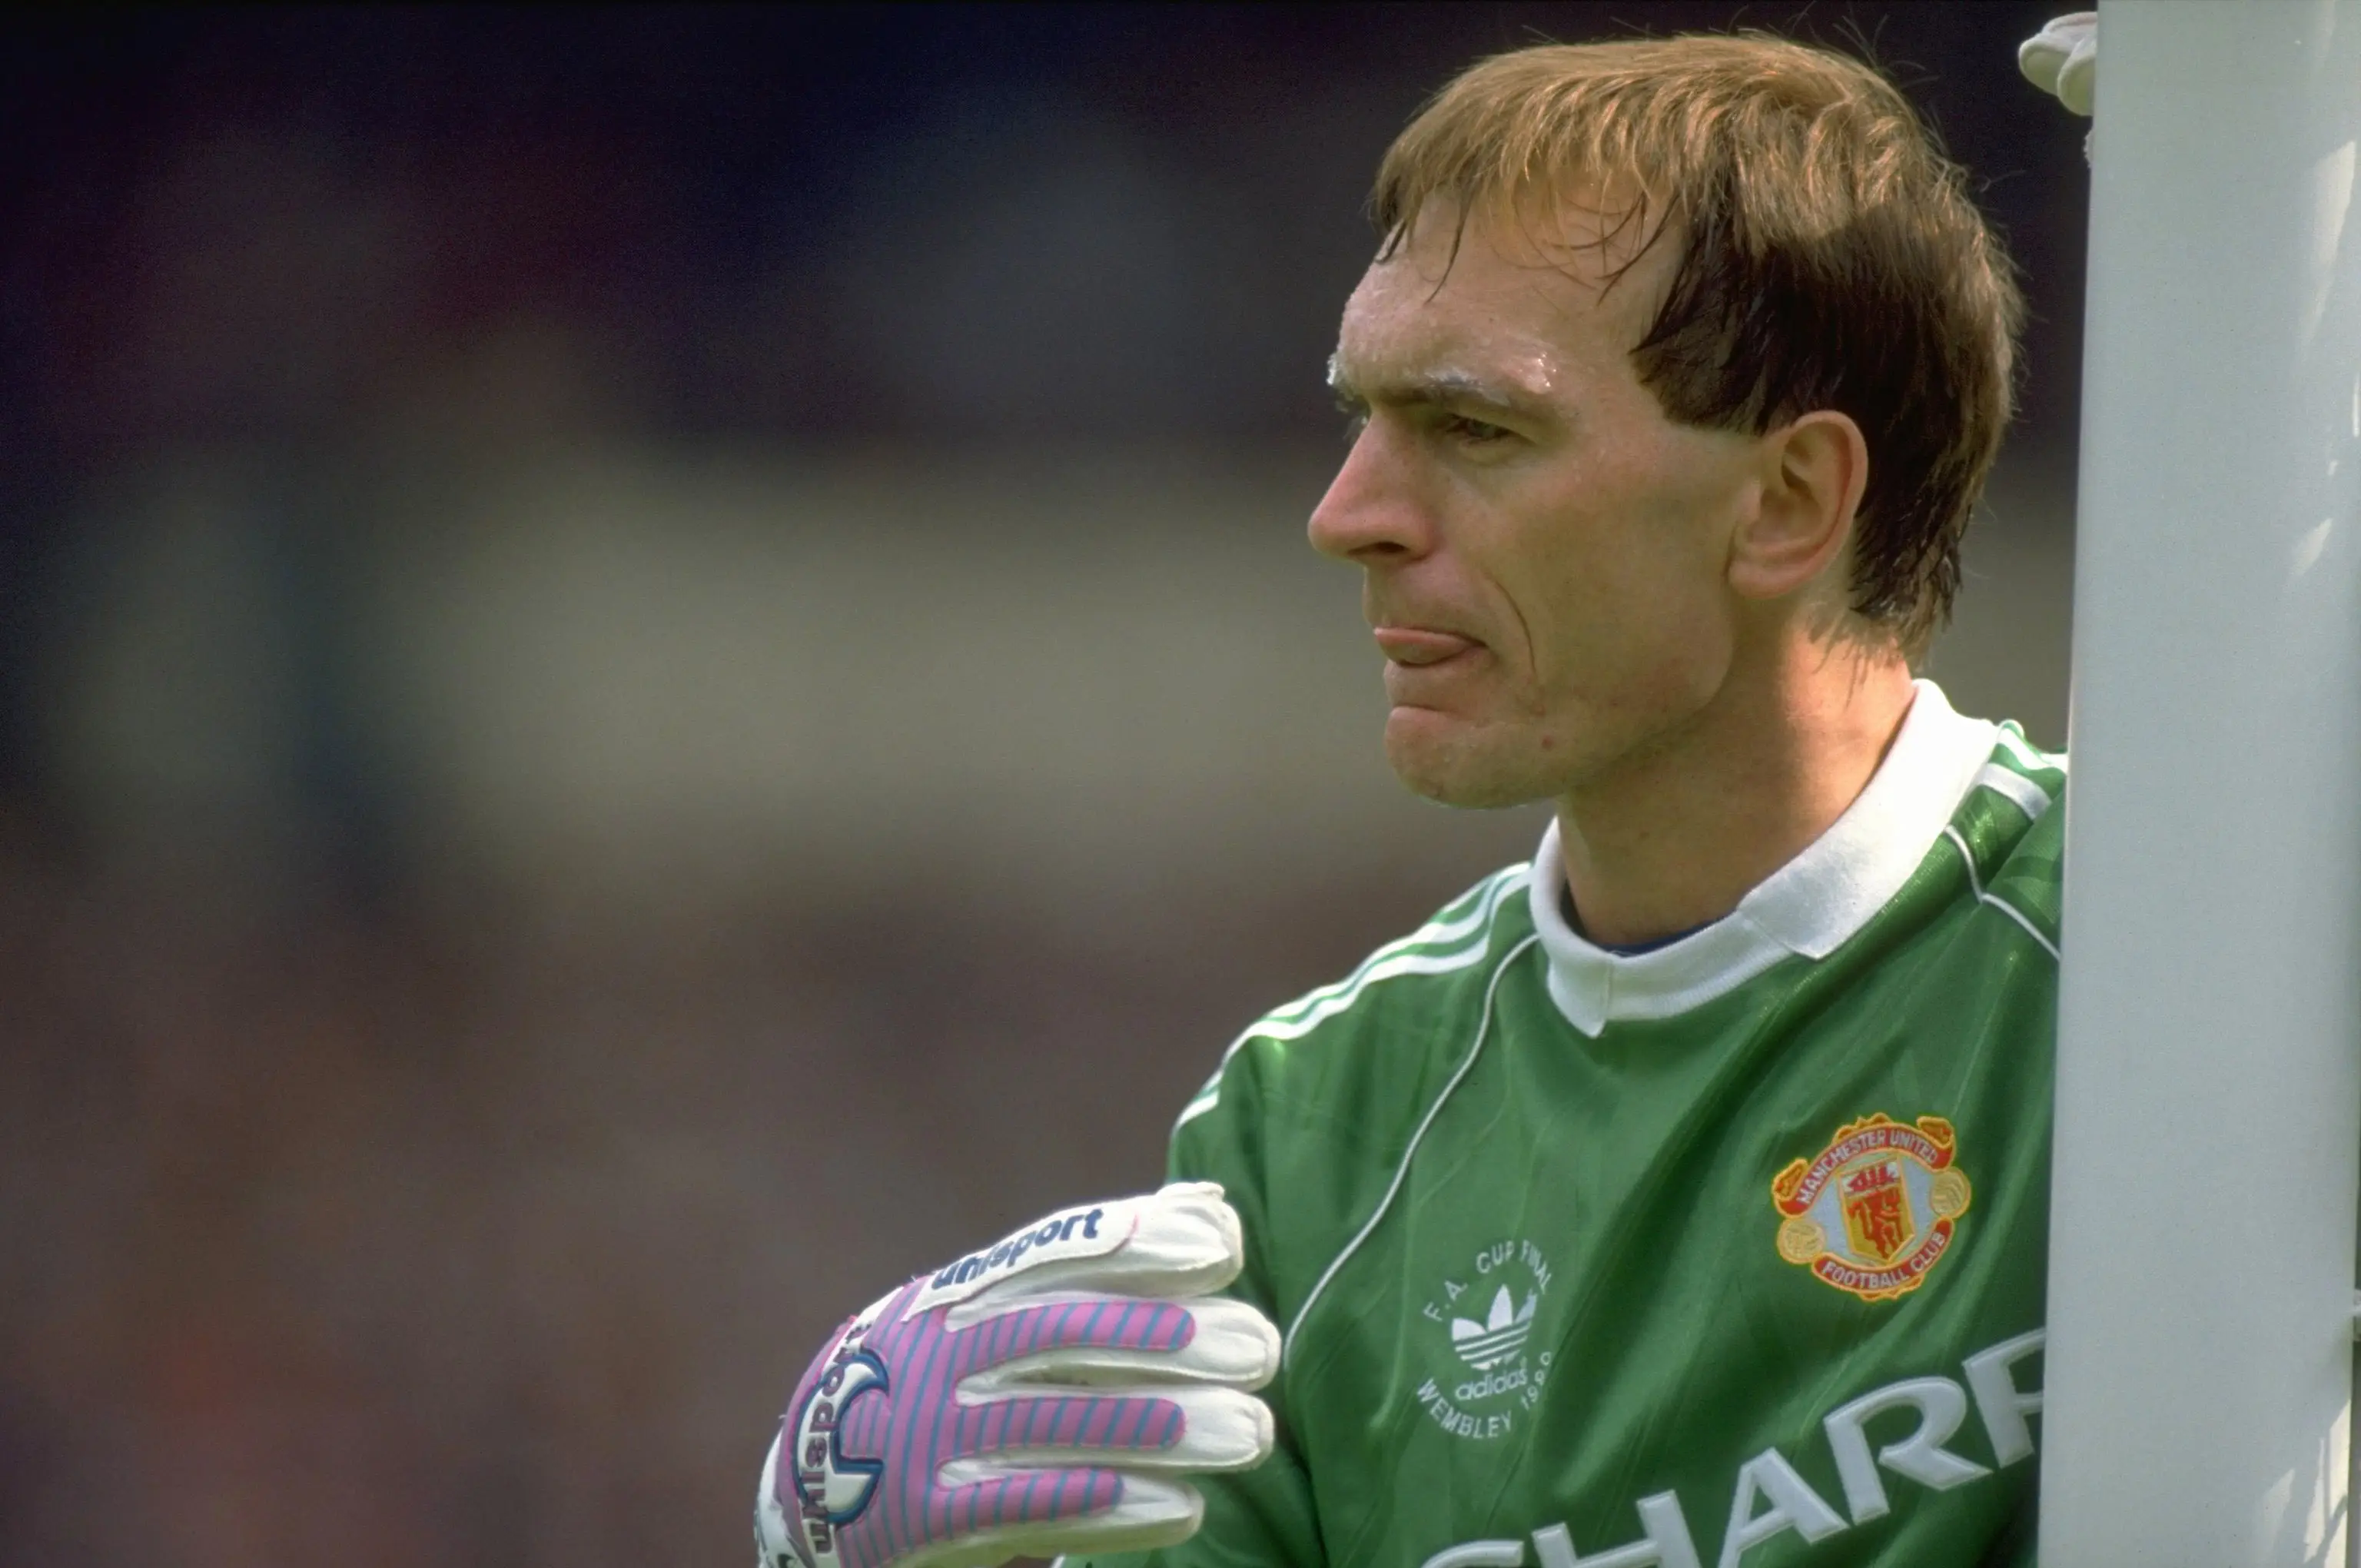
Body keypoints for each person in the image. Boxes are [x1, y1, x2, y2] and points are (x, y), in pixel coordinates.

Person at [760, 31, 2061, 1568]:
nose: (1348, 517)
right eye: (1359, 421)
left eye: (1475, 429)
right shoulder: (1308, 1137)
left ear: (1786, 503)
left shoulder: (2170, 967)